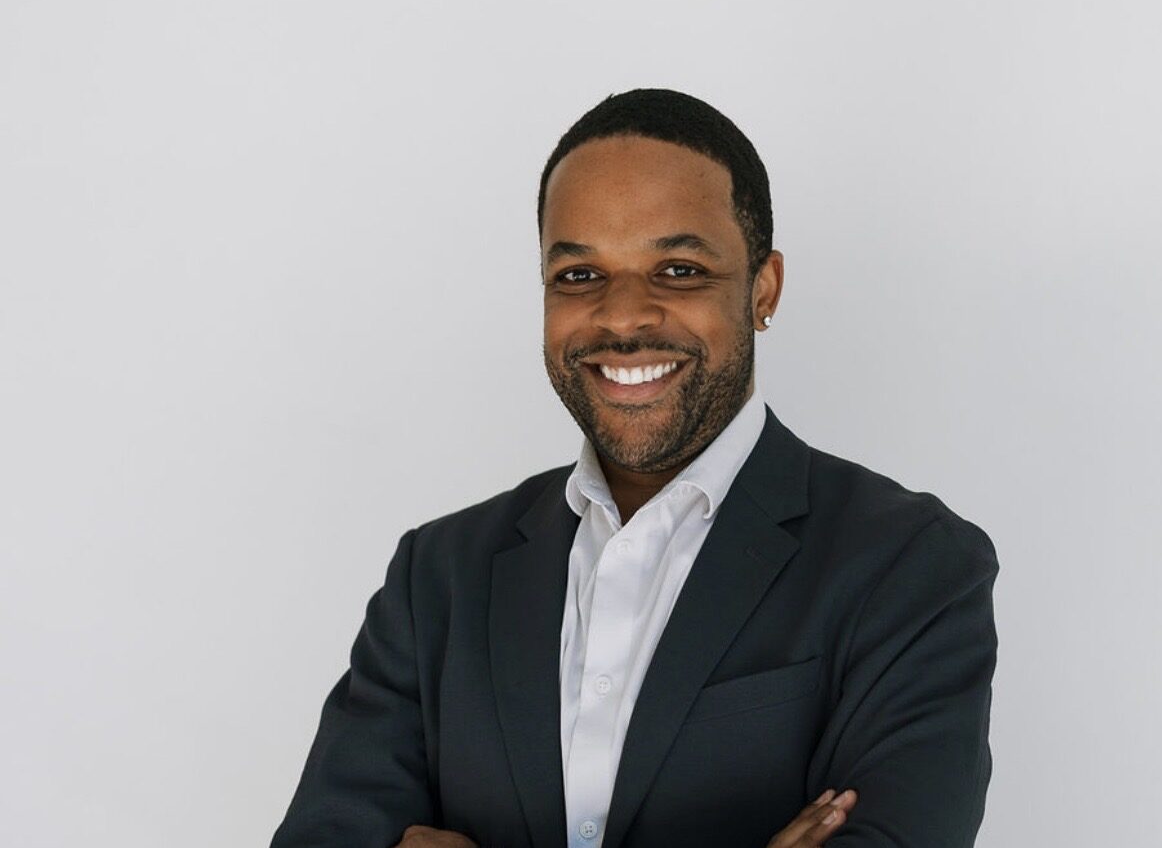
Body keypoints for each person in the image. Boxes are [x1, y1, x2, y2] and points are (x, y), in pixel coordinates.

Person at [270, 88, 999, 848]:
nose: (622, 316)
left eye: (678, 269)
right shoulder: (436, 579)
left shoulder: (908, 566)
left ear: (764, 288)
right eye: (579, 275)